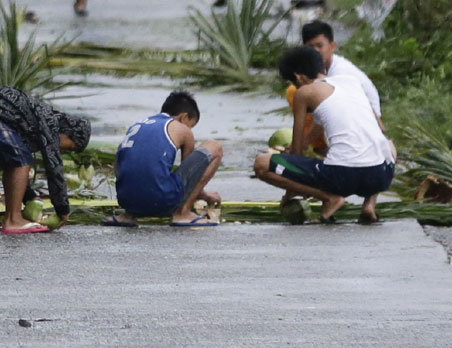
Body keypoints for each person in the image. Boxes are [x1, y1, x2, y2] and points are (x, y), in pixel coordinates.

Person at [253, 46, 395, 224]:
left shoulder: (303, 93)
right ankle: (369, 205)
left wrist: (290, 194)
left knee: (261, 163)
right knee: (388, 145)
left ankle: (330, 199)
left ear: (298, 77)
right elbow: (322, 125)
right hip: (380, 177)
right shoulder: (351, 81)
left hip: (342, 177)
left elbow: (297, 154)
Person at [0, 87, 91, 235]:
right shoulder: (51, 124)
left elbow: (12, 168)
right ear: (69, 134)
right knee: (23, 161)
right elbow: (54, 169)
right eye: (70, 148)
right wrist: (63, 209)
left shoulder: (42, 120)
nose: (65, 151)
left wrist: (29, 197)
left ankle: (9, 219)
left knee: (11, 163)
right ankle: (14, 220)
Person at [105, 90, 223, 227]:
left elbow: (120, 163)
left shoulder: (138, 125)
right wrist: (203, 195)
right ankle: (183, 213)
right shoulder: (181, 128)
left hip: (127, 201)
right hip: (161, 201)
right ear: (183, 117)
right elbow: (192, 178)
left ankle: (128, 215)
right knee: (215, 146)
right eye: (190, 125)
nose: (189, 130)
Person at [301, 20, 382, 126]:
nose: (315, 52)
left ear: (332, 46)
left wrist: (303, 142)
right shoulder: (318, 69)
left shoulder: (340, 72)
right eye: (310, 48)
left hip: (363, 119)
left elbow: (329, 111)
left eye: (320, 46)